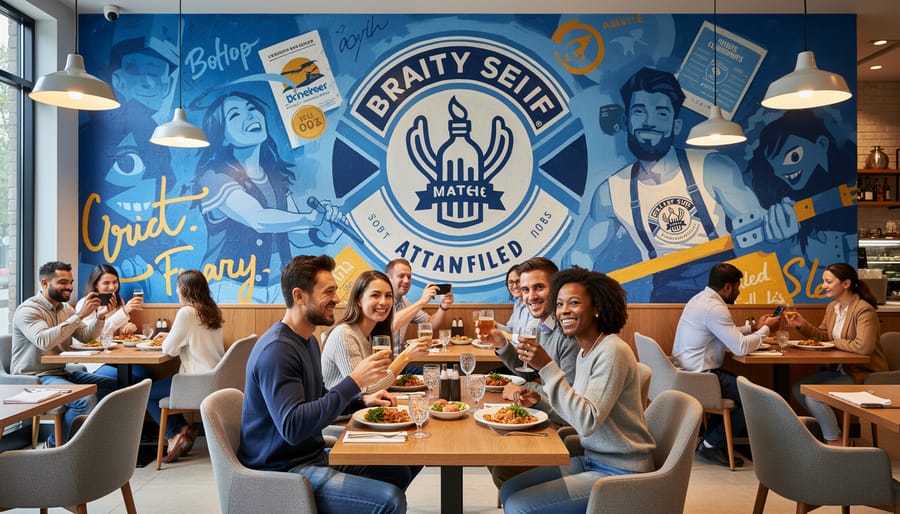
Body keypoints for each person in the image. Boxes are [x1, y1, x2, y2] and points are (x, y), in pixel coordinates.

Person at [568, 67, 798, 302]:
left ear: (676, 125)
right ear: (626, 120)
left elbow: (754, 219)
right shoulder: (611, 192)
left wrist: (777, 225)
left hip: (724, 289)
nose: (650, 122)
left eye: (662, 113)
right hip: (668, 294)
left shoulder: (713, 167)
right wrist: (575, 291)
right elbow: (582, 252)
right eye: (639, 111)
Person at [239, 255, 417, 512]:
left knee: (398, 471)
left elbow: (318, 396)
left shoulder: (308, 340)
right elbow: (293, 427)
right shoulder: (277, 350)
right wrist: (353, 382)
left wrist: (360, 400)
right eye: (329, 292)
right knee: (390, 500)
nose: (336, 299)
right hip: (283, 471)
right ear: (299, 296)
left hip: (313, 455)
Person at [500, 267, 655, 513]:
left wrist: (547, 366)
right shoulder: (586, 351)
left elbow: (586, 421)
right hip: (592, 458)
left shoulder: (612, 350)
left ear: (597, 307)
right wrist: (540, 400)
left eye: (574, 303)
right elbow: (576, 409)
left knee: (520, 506)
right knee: (508, 489)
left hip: (621, 471)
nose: (564, 311)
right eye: (559, 304)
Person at [194, 91, 345, 303]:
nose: (250, 116)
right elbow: (257, 218)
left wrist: (325, 229)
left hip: (280, 286)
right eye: (235, 115)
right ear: (224, 136)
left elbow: (296, 234)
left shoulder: (276, 177)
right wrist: (309, 219)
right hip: (231, 287)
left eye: (252, 109)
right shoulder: (214, 176)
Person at [671, 262, 780, 467]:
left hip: (687, 372)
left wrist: (753, 327)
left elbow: (723, 331)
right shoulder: (715, 308)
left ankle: (711, 441)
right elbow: (740, 348)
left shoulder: (700, 299)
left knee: (737, 388)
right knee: (752, 397)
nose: (739, 291)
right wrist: (766, 330)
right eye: (738, 287)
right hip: (699, 377)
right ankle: (711, 445)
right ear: (728, 287)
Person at [10, 261, 117, 447]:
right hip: (35, 376)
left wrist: (100, 316)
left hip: (61, 372)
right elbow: (44, 340)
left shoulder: (65, 309)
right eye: (62, 282)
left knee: (117, 386)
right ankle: (55, 448)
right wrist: (80, 315)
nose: (69, 287)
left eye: (70, 282)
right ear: (44, 283)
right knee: (85, 400)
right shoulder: (29, 310)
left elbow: (85, 337)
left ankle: (94, 442)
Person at [789, 263, 889, 446]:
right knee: (799, 388)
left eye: (828, 281)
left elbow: (863, 347)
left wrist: (833, 343)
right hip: (839, 370)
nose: (823, 285)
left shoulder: (864, 310)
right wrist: (801, 324)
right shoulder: (833, 308)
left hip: (862, 373)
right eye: (823, 281)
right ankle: (831, 432)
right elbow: (822, 336)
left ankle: (835, 440)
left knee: (813, 395)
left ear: (846, 284)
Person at [152, 269, 226, 463]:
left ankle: (173, 435)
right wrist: (171, 336)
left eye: (177, 287)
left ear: (184, 289)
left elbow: (169, 350)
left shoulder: (186, 312)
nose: (176, 291)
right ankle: (184, 428)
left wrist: (168, 339)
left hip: (194, 383)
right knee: (159, 389)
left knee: (146, 392)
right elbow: (195, 338)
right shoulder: (211, 310)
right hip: (213, 378)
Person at [321, 270, 430, 391]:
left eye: (388, 296)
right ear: (358, 301)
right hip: (344, 409)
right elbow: (364, 389)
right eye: (375, 295)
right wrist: (406, 356)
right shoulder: (344, 334)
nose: (383, 302)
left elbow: (378, 381)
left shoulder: (374, 334)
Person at [76, 264, 146, 382]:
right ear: (95, 285)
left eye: (115, 282)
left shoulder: (118, 301)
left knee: (144, 375)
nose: (112, 286)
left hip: (114, 355)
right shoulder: (86, 304)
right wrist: (125, 311)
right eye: (106, 283)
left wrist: (127, 328)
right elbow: (92, 337)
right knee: (131, 379)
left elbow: (119, 331)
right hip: (92, 359)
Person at [387, 258, 454, 349]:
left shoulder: (405, 302)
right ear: (388, 278)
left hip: (400, 357)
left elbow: (429, 323)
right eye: (401, 276)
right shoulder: (381, 302)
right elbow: (392, 324)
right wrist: (422, 301)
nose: (406, 281)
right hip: (382, 358)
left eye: (409, 277)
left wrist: (443, 307)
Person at [496, 264, 529, 336]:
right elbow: (510, 330)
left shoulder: (534, 305)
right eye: (511, 282)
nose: (514, 286)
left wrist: (501, 334)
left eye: (518, 281)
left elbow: (527, 338)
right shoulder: (517, 303)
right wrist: (493, 324)